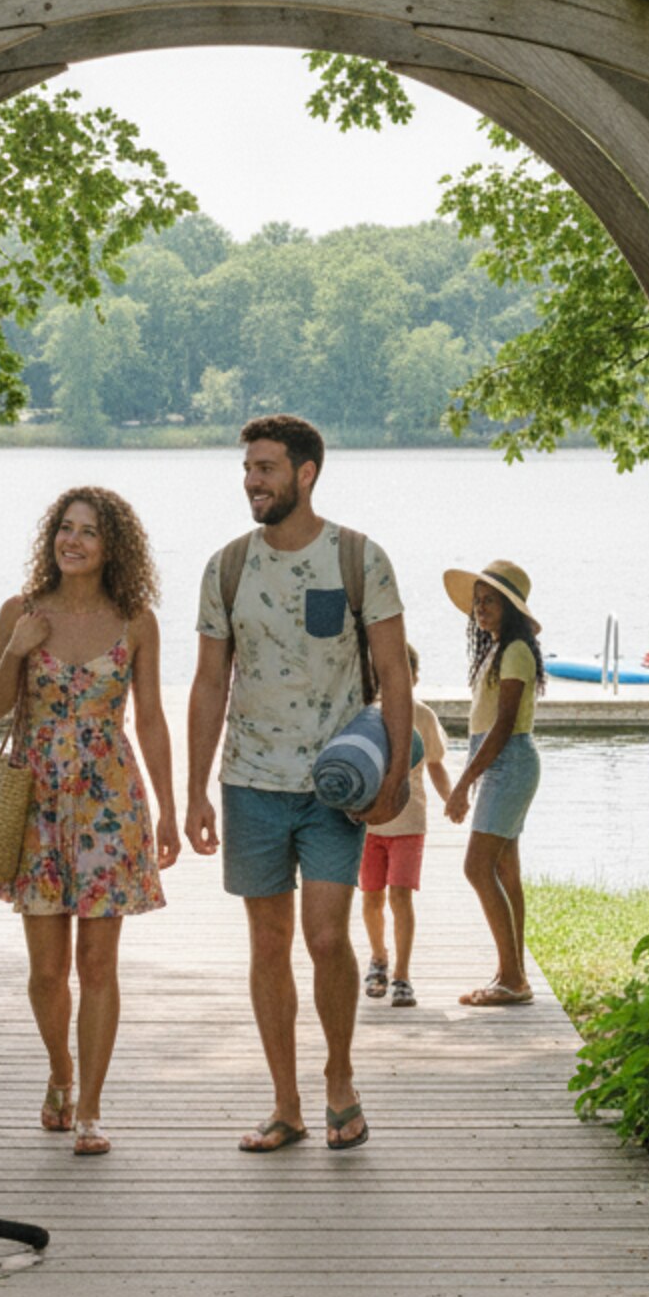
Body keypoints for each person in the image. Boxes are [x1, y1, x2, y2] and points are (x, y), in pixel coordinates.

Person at [187, 415, 412, 1152]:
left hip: (334, 785)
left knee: (325, 936)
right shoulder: (226, 567)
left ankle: (339, 1078)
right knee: (268, 944)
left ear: (305, 473)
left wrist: (399, 775)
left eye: (266, 469)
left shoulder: (359, 558)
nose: (253, 481)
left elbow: (395, 673)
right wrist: (194, 791)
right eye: (248, 469)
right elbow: (210, 681)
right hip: (250, 781)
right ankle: (285, 1105)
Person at [0, 487, 177, 1157]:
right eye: (65, 529)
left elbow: (149, 718)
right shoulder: (21, 611)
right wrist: (15, 649)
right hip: (35, 802)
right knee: (45, 971)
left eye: (89, 532)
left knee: (98, 964)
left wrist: (172, 808)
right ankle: (59, 1073)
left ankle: (90, 1108)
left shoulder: (136, 620)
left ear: (111, 546)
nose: (73, 541)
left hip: (109, 801)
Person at [442, 560, 544, 1005]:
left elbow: (503, 726)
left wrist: (464, 782)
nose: (480, 609)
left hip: (509, 761)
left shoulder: (517, 650)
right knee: (505, 871)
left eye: (490, 602)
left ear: (511, 608)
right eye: (477, 602)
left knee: (476, 867)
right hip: (501, 761)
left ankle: (514, 980)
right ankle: (511, 973)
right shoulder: (498, 649)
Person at [359, 644, 452, 1009]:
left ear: (414, 676)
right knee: (371, 898)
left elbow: (435, 763)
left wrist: (452, 799)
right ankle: (378, 959)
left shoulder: (423, 716)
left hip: (410, 821)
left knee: (400, 898)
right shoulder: (365, 715)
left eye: (402, 671)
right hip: (368, 824)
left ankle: (402, 974)